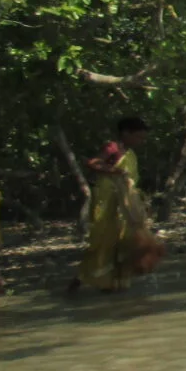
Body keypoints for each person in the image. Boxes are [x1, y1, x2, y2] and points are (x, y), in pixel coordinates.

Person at [70, 117, 165, 292]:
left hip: (124, 204)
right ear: (125, 133)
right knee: (104, 242)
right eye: (138, 137)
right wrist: (114, 171)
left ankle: (114, 284)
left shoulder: (130, 153)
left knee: (123, 244)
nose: (141, 141)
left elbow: (132, 182)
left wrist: (141, 203)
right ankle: (81, 280)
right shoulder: (113, 148)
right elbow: (93, 162)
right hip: (108, 202)